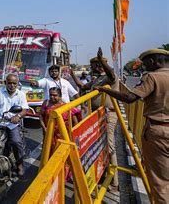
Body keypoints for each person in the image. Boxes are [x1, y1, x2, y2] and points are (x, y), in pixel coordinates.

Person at [95, 49, 169, 203]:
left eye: (146, 62)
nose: (143, 65)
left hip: (159, 131)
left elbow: (130, 98)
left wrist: (105, 91)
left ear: (154, 61)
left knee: (161, 182)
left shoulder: (152, 77)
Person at [70, 47, 119, 191]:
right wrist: (72, 74)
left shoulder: (110, 76)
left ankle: (114, 182)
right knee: (99, 145)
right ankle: (103, 174)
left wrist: (101, 60)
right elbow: (82, 86)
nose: (91, 68)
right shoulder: (97, 79)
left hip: (108, 114)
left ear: (98, 65)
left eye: (93, 66)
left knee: (109, 146)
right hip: (97, 114)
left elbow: (110, 73)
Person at [40, 87, 79, 154]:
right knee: (47, 151)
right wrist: (44, 128)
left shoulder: (65, 106)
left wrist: (72, 134)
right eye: (51, 95)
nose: (52, 97)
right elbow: (40, 115)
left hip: (62, 134)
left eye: (55, 95)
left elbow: (75, 121)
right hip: (49, 132)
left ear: (60, 96)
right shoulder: (46, 103)